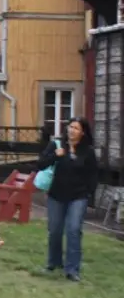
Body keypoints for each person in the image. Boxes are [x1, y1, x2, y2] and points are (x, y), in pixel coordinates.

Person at [38, 117, 97, 282]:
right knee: (55, 231)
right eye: (70, 127)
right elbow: (40, 164)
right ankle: (53, 263)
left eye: (76, 128)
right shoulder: (56, 145)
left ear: (82, 132)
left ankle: (72, 270)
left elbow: (93, 174)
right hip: (56, 195)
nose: (72, 130)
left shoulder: (87, 151)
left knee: (73, 230)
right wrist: (55, 157)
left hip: (78, 197)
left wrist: (89, 193)